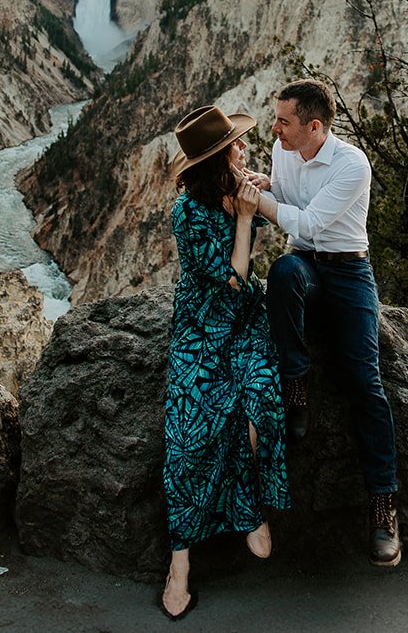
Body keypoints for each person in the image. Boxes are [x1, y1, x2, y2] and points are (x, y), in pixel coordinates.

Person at [246, 78, 401, 567]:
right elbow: (290, 208)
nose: (275, 128)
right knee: (284, 270)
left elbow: (309, 221)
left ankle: (383, 507)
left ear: (314, 125)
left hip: (350, 270)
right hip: (306, 267)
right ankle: (296, 386)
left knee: (365, 383)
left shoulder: (352, 164)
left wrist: (261, 203)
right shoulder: (282, 150)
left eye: (284, 121)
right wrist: (266, 185)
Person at [160, 104, 289, 620]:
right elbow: (234, 276)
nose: (243, 149)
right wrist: (243, 219)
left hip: (244, 323)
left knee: (260, 410)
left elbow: (288, 205)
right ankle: (179, 564)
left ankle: (250, 509)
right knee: (189, 433)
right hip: (202, 326)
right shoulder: (187, 213)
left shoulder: (239, 186)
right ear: (215, 160)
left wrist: (266, 190)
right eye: (235, 146)